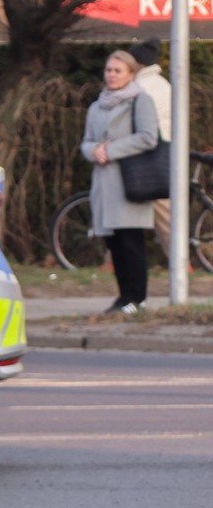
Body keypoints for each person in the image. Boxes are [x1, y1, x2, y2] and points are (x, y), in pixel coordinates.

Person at [82, 48, 159, 314]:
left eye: (118, 70)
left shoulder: (140, 100)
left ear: (130, 74)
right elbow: (86, 141)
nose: (112, 75)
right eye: (109, 70)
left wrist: (111, 150)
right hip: (104, 183)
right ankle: (123, 296)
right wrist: (94, 151)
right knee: (114, 243)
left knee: (131, 241)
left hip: (130, 182)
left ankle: (138, 297)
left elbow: (149, 136)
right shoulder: (96, 106)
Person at [130, 37, 174, 247]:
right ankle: (110, 260)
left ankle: (182, 262)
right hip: (165, 150)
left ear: (138, 62)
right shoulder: (163, 84)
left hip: (151, 154)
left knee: (161, 209)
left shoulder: (140, 86)